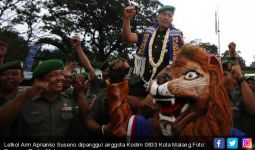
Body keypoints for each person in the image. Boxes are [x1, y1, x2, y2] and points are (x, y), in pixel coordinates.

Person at [0, 59, 90, 137]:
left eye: (61, 74)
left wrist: (80, 93)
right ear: (38, 81)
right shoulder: (22, 103)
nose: (60, 78)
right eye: (53, 75)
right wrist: (25, 96)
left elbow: (77, 129)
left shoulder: (69, 102)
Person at [123, 5, 184, 118]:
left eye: (169, 15)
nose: (166, 17)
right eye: (164, 14)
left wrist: (157, 81)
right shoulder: (148, 33)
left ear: (172, 19)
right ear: (157, 17)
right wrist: (127, 18)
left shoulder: (178, 37)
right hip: (141, 80)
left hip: (163, 84)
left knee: (159, 117)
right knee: (125, 103)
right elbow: (128, 37)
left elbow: (178, 64)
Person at [222, 42, 255, 136]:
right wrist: (232, 53)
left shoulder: (247, 96)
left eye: (225, 74)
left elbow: (252, 109)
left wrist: (240, 76)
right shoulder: (228, 95)